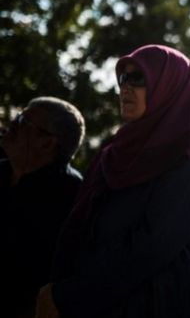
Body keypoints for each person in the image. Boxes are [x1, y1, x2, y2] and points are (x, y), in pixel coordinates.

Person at [34, 44, 190, 318]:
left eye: (139, 78)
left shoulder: (189, 160)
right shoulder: (116, 151)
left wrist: (68, 296)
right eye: (123, 78)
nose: (126, 87)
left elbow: (148, 251)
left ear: (168, 86)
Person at [0, 97, 85, 318]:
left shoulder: (72, 196)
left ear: (47, 143)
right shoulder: (3, 170)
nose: (11, 124)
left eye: (23, 121)